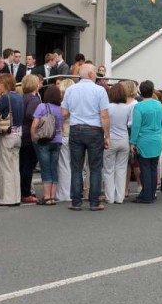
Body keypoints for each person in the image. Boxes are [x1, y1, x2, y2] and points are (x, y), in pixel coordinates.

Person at [61, 63, 110, 211]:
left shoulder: (70, 90)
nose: (96, 74)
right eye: (94, 72)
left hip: (75, 129)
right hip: (94, 130)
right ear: (90, 74)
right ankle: (94, 202)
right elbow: (104, 116)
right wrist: (107, 136)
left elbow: (63, 113)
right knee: (95, 167)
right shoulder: (100, 91)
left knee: (76, 167)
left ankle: (76, 201)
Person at [130, 80, 162, 204]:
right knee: (153, 168)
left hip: (143, 139)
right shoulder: (159, 105)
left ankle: (146, 195)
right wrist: (160, 135)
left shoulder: (139, 106)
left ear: (140, 92)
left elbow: (136, 126)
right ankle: (151, 193)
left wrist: (133, 142)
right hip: (156, 138)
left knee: (144, 168)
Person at [0, 73, 25, 206]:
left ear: (5, 83)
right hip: (17, 135)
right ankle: (16, 197)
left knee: (4, 168)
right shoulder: (19, 96)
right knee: (14, 168)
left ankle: (7, 198)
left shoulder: (5, 98)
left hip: (6, 135)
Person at [31, 85, 63, 205]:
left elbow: (35, 124)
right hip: (58, 140)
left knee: (45, 168)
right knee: (54, 168)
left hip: (44, 140)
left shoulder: (42, 106)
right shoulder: (61, 109)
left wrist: (34, 137)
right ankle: (53, 196)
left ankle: (47, 196)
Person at [102, 83, 131, 204]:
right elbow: (130, 123)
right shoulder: (128, 107)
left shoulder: (107, 107)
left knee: (108, 169)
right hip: (124, 139)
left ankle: (110, 197)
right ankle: (120, 197)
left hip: (110, 139)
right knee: (121, 169)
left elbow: (103, 122)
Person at [19, 75, 42, 204]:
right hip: (29, 135)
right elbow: (30, 114)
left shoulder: (22, 97)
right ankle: (25, 192)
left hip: (21, 134)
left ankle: (21, 190)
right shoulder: (34, 100)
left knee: (22, 165)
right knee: (28, 165)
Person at [55, 78, 75, 202]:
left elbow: (62, 118)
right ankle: (74, 191)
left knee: (64, 164)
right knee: (76, 165)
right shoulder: (79, 102)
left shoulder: (64, 104)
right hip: (77, 133)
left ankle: (64, 193)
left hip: (66, 134)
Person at [122, 80, 142, 197]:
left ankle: (127, 188)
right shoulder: (136, 104)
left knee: (132, 162)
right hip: (130, 130)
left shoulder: (132, 104)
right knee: (132, 162)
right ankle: (135, 186)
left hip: (129, 131)